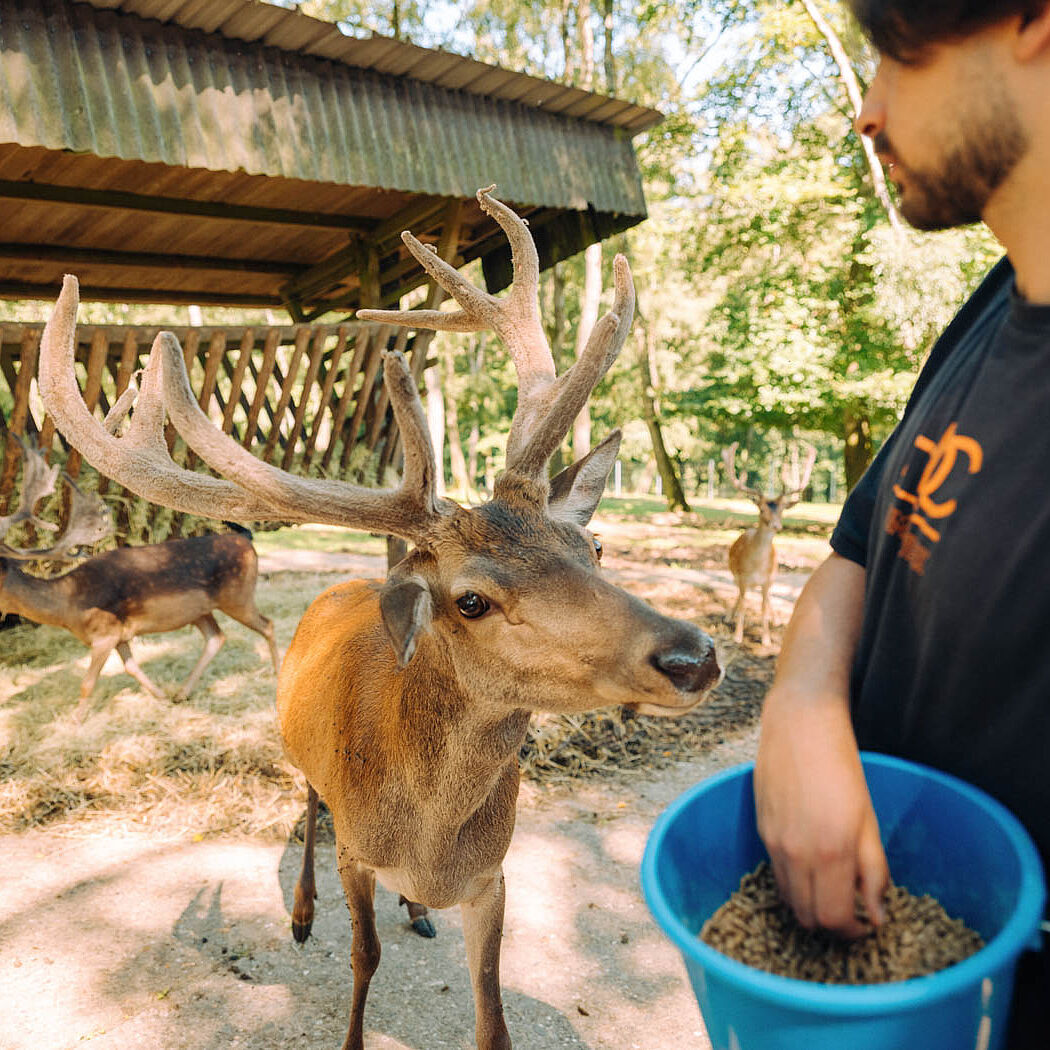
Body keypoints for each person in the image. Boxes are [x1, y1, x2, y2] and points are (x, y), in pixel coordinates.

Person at [753, 2, 1050, 1045]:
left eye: (893, 53)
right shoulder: (995, 303)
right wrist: (801, 701)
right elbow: (857, 549)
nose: (865, 112)